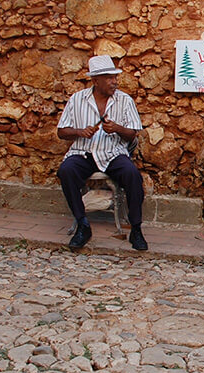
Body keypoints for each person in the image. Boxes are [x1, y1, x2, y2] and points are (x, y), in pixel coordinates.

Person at [57, 55, 146, 251]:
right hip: (83, 152)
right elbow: (61, 132)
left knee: (132, 175)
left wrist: (117, 128)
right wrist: (79, 132)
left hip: (113, 152)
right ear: (95, 81)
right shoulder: (77, 99)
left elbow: (132, 134)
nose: (114, 81)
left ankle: (136, 229)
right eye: (109, 77)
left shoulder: (125, 100)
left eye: (115, 77)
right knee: (66, 171)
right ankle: (83, 224)